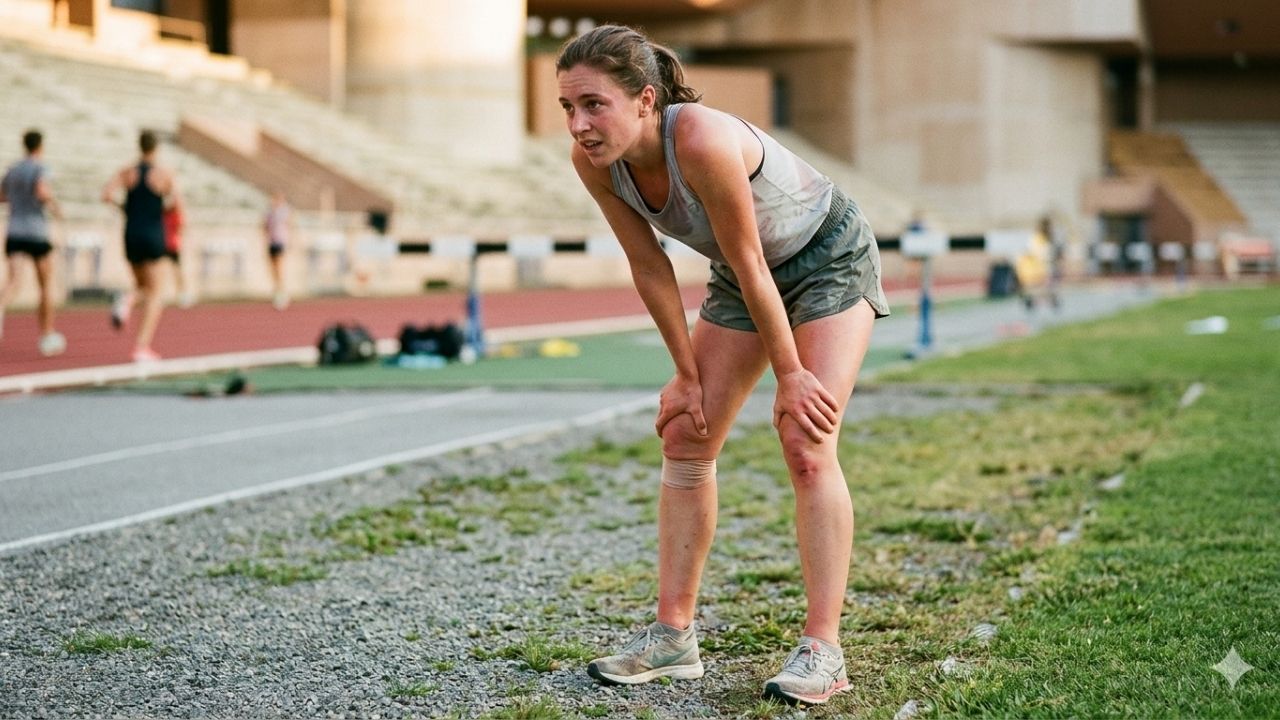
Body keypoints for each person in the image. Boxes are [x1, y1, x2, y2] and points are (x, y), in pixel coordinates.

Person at [556, 25, 890, 706]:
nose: (580, 124)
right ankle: (673, 636)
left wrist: (792, 373)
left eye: (594, 104)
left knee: (805, 436)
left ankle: (823, 648)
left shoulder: (701, 140)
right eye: (568, 107)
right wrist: (684, 376)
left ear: (645, 100)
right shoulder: (594, 163)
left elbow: (750, 260)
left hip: (828, 257)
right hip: (746, 279)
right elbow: (649, 265)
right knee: (687, 432)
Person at [102, 130, 183, 362]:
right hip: (152, 232)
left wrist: (124, 208)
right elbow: (177, 204)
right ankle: (141, 346)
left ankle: (127, 299)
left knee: (142, 285)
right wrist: (159, 211)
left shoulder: (127, 172)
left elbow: (106, 194)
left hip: (131, 233)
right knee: (156, 292)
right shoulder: (164, 174)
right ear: (156, 148)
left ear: (139, 147)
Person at [0, 129, 66, 356]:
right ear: (40, 146)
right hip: (36, 232)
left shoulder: (13, 169)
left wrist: (18, 201)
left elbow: (2, 196)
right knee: (45, 284)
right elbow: (42, 190)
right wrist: (56, 208)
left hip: (15, 230)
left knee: (13, 281)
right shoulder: (41, 167)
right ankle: (47, 335)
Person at [162, 199, 195, 308]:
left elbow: (181, 227)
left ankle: (182, 295)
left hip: (170, 246)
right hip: (165, 245)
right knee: (172, 271)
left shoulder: (173, 215)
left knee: (176, 271)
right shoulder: (165, 215)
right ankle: (180, 295)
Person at [263, 190, 291, 310]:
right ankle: (277, 291)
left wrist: (291, 241)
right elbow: (264, 226)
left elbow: (290, 225)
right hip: (271, 242)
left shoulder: (284, 212)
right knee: (273, 269)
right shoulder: (269, 212)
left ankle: (282, 293)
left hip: (280, 242)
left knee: (279, 268)